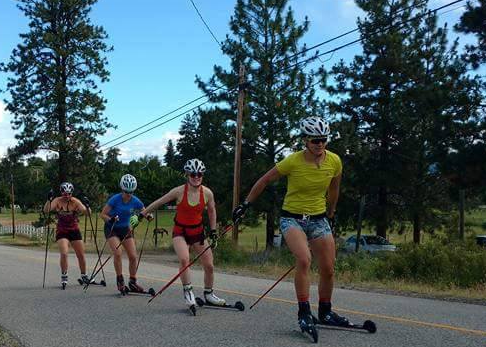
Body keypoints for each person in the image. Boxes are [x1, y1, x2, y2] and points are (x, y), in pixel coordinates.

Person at [232, 116, 349, 332]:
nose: (320, 144)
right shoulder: (293, 161)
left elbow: (334, 189)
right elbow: (264, 180)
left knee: (328, 268)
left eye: (323, 139)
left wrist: (331, 214)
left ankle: (325, 311)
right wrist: (245, 204)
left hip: (319, 218)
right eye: (315, 140)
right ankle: (304, 313)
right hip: (292, 218)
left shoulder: (334, 161)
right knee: (304, 260)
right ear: (305, 140)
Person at [142, 158, 227, 310]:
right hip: (180, 231)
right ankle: (188, 292)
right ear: (187, 175)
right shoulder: (179, 191)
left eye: (199, 174)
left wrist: (213, 231)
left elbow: (212, 211)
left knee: (209, 265)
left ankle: (209, 294)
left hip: (198, 232)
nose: (196, 177)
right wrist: (142, 214)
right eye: (193, 174)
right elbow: (159, 202)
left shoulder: (207, 193)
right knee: (184, 259)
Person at [100, 174, 149, 294]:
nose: (129, 194)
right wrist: (111, 219)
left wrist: (148, 216)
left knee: (133, 256)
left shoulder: (135, 200)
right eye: (127, 191)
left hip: (125, 229)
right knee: (117, 253)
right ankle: (120, 280)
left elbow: (144, 211)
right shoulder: (115, 199)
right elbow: (103, 214)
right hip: (112, 228)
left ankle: (132, 282)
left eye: (131, 191)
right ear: (122, 189)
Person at [43, 182, 91, 288]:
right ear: (61, 193)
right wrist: (48, 200)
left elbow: (87, 213)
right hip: (62, 230)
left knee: (81, 254)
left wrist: (87, 206)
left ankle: (84, 275)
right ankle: (64, 275)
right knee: (64, 253)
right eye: (65, 194)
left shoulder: (75, 201)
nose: (67, 196)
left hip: (74, 229)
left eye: (69, 194)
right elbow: (46, 210)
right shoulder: (57, 201)